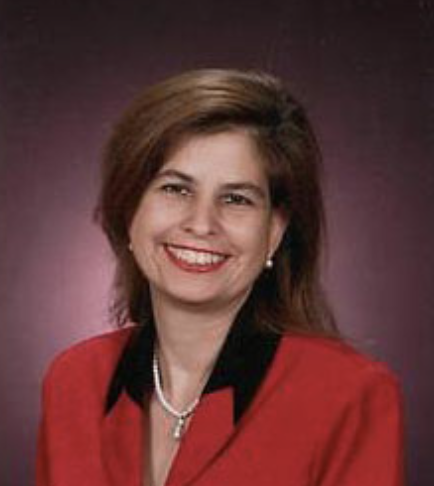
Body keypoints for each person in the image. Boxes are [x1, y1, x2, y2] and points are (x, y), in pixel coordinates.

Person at [36, 69, 405, 486]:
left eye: (236, 199)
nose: (201, 223)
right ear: (129, 209)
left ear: (274, 231)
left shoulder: (348, 395)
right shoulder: (75, 381)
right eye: (176, 189)